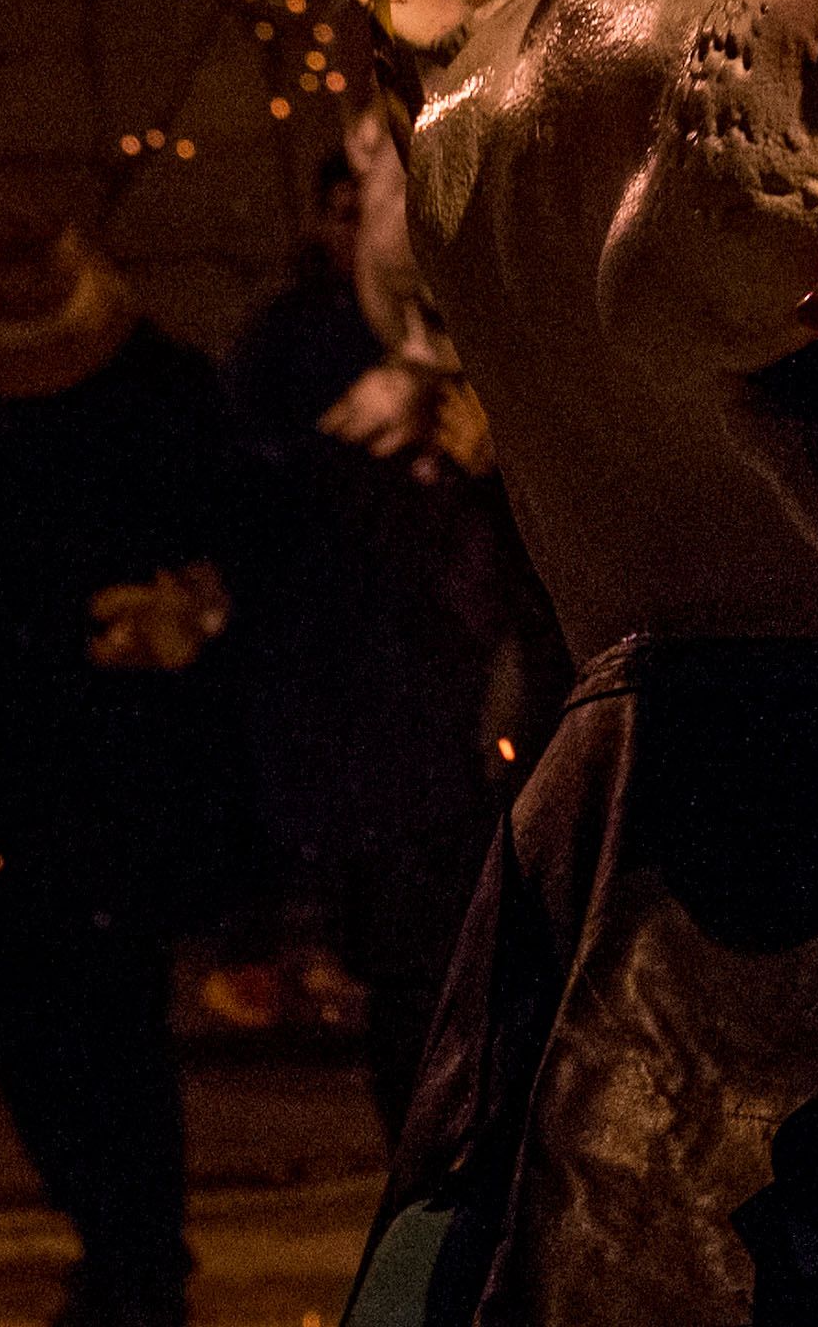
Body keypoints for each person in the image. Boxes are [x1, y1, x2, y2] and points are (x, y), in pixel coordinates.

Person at [0, 210, 245, 1327]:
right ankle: (108, 1230)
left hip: (113, 731)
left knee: (114, 1004)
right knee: (2, 993)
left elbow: (228, 519)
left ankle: (138, 1252)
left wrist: (186, 607)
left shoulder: (158, 385)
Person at [227, 99, 560, 1137]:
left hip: (522, 764)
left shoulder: (546, 402)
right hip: (409, 765)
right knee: (419, 1011)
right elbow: (314, 568)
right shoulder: (365, 407)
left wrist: (500, 479)